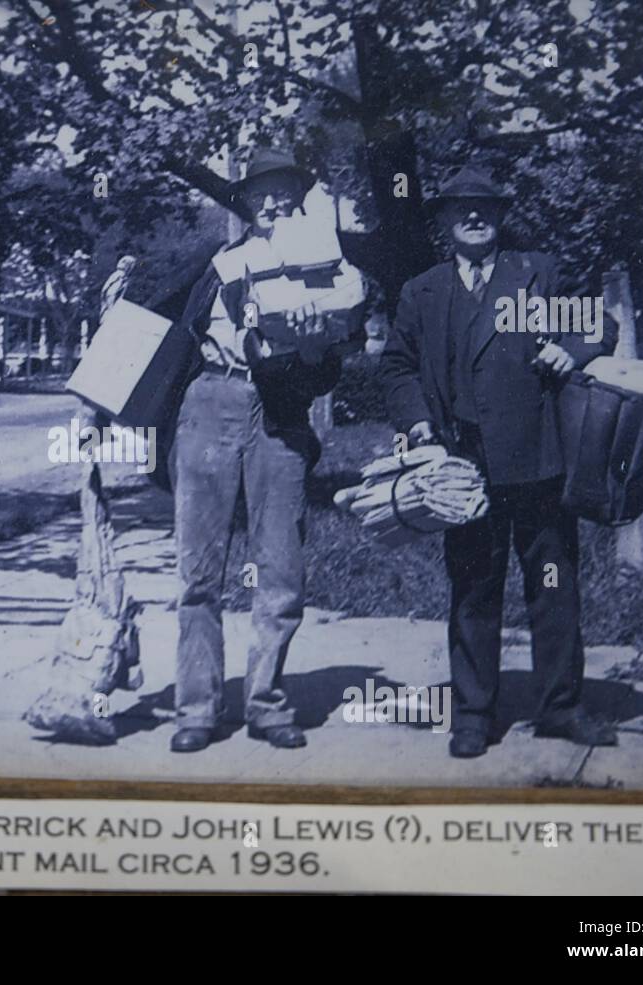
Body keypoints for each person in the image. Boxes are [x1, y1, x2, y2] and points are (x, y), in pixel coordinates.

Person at [380, 165, 619, 758]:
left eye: (484, 206)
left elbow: (602, 326)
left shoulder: (535, 273)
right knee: (473, 590)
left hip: (539, 460)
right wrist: (417, 426)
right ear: (442, 220)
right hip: (464, 467)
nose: (473, 215)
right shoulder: (423, 291)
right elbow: (395, 368)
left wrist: (572, 347)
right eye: (460, 206)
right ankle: (473, 715)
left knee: (553, 586)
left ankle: (561, 708)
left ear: (500, 216)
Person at [168, 147, 364, 753]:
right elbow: (170, 340)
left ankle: (266, 702)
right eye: (261, 194)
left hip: (280, 414)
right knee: (198, 570)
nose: (273, 202)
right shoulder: (221, 264)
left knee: (280, 568)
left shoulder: (327, 268)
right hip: (211, 401)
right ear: (246, 204)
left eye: (284, 191)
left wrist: (309, 349)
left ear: (299, 200)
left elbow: (333, 368)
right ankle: (197, 707)